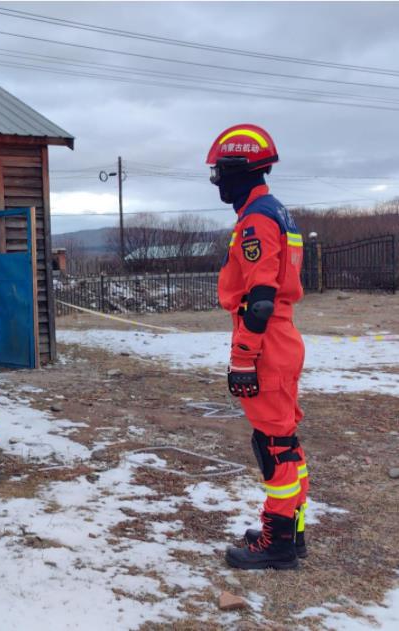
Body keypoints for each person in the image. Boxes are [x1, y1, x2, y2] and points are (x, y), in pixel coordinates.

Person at [207, 124, 309, 569]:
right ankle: (289, 528)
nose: (217, 182)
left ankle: (278, 544)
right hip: (282, 339)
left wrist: (243, 358)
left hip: (266, 342)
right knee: (284, 440)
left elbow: (259, 300)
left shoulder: (256, 220)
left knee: (272, 444)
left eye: (221, 173)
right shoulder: (276, 211)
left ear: (241, 171)